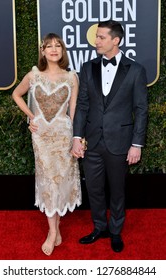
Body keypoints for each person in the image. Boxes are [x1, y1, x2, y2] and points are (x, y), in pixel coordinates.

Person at [71, 20, 148, 253]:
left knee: (117, 189)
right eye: (97, 37)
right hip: (92, 142)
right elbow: (82, 106)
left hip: (121, 142)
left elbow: (141, 109)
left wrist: (136, 144)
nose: (97, 41)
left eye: (102, 37)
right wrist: (76, 137)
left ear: (116, 40)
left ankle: (115, 231)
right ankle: (99, 228)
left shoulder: (135, 70)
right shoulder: (87, 67)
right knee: (93, 189)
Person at [12, 33, 81, 256]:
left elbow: (73, 112)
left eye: (57, 46)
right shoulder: (33, 76)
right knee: (48, 182)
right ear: (43, 51)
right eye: (48, 46)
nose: (53, 49)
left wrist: (76, 138)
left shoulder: (71, 78)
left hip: (63, 137)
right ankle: (52, 232)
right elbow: (16, 95)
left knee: (59, 183)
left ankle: (56, 227)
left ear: (62, 51)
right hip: (41, 137)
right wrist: (31, 117)